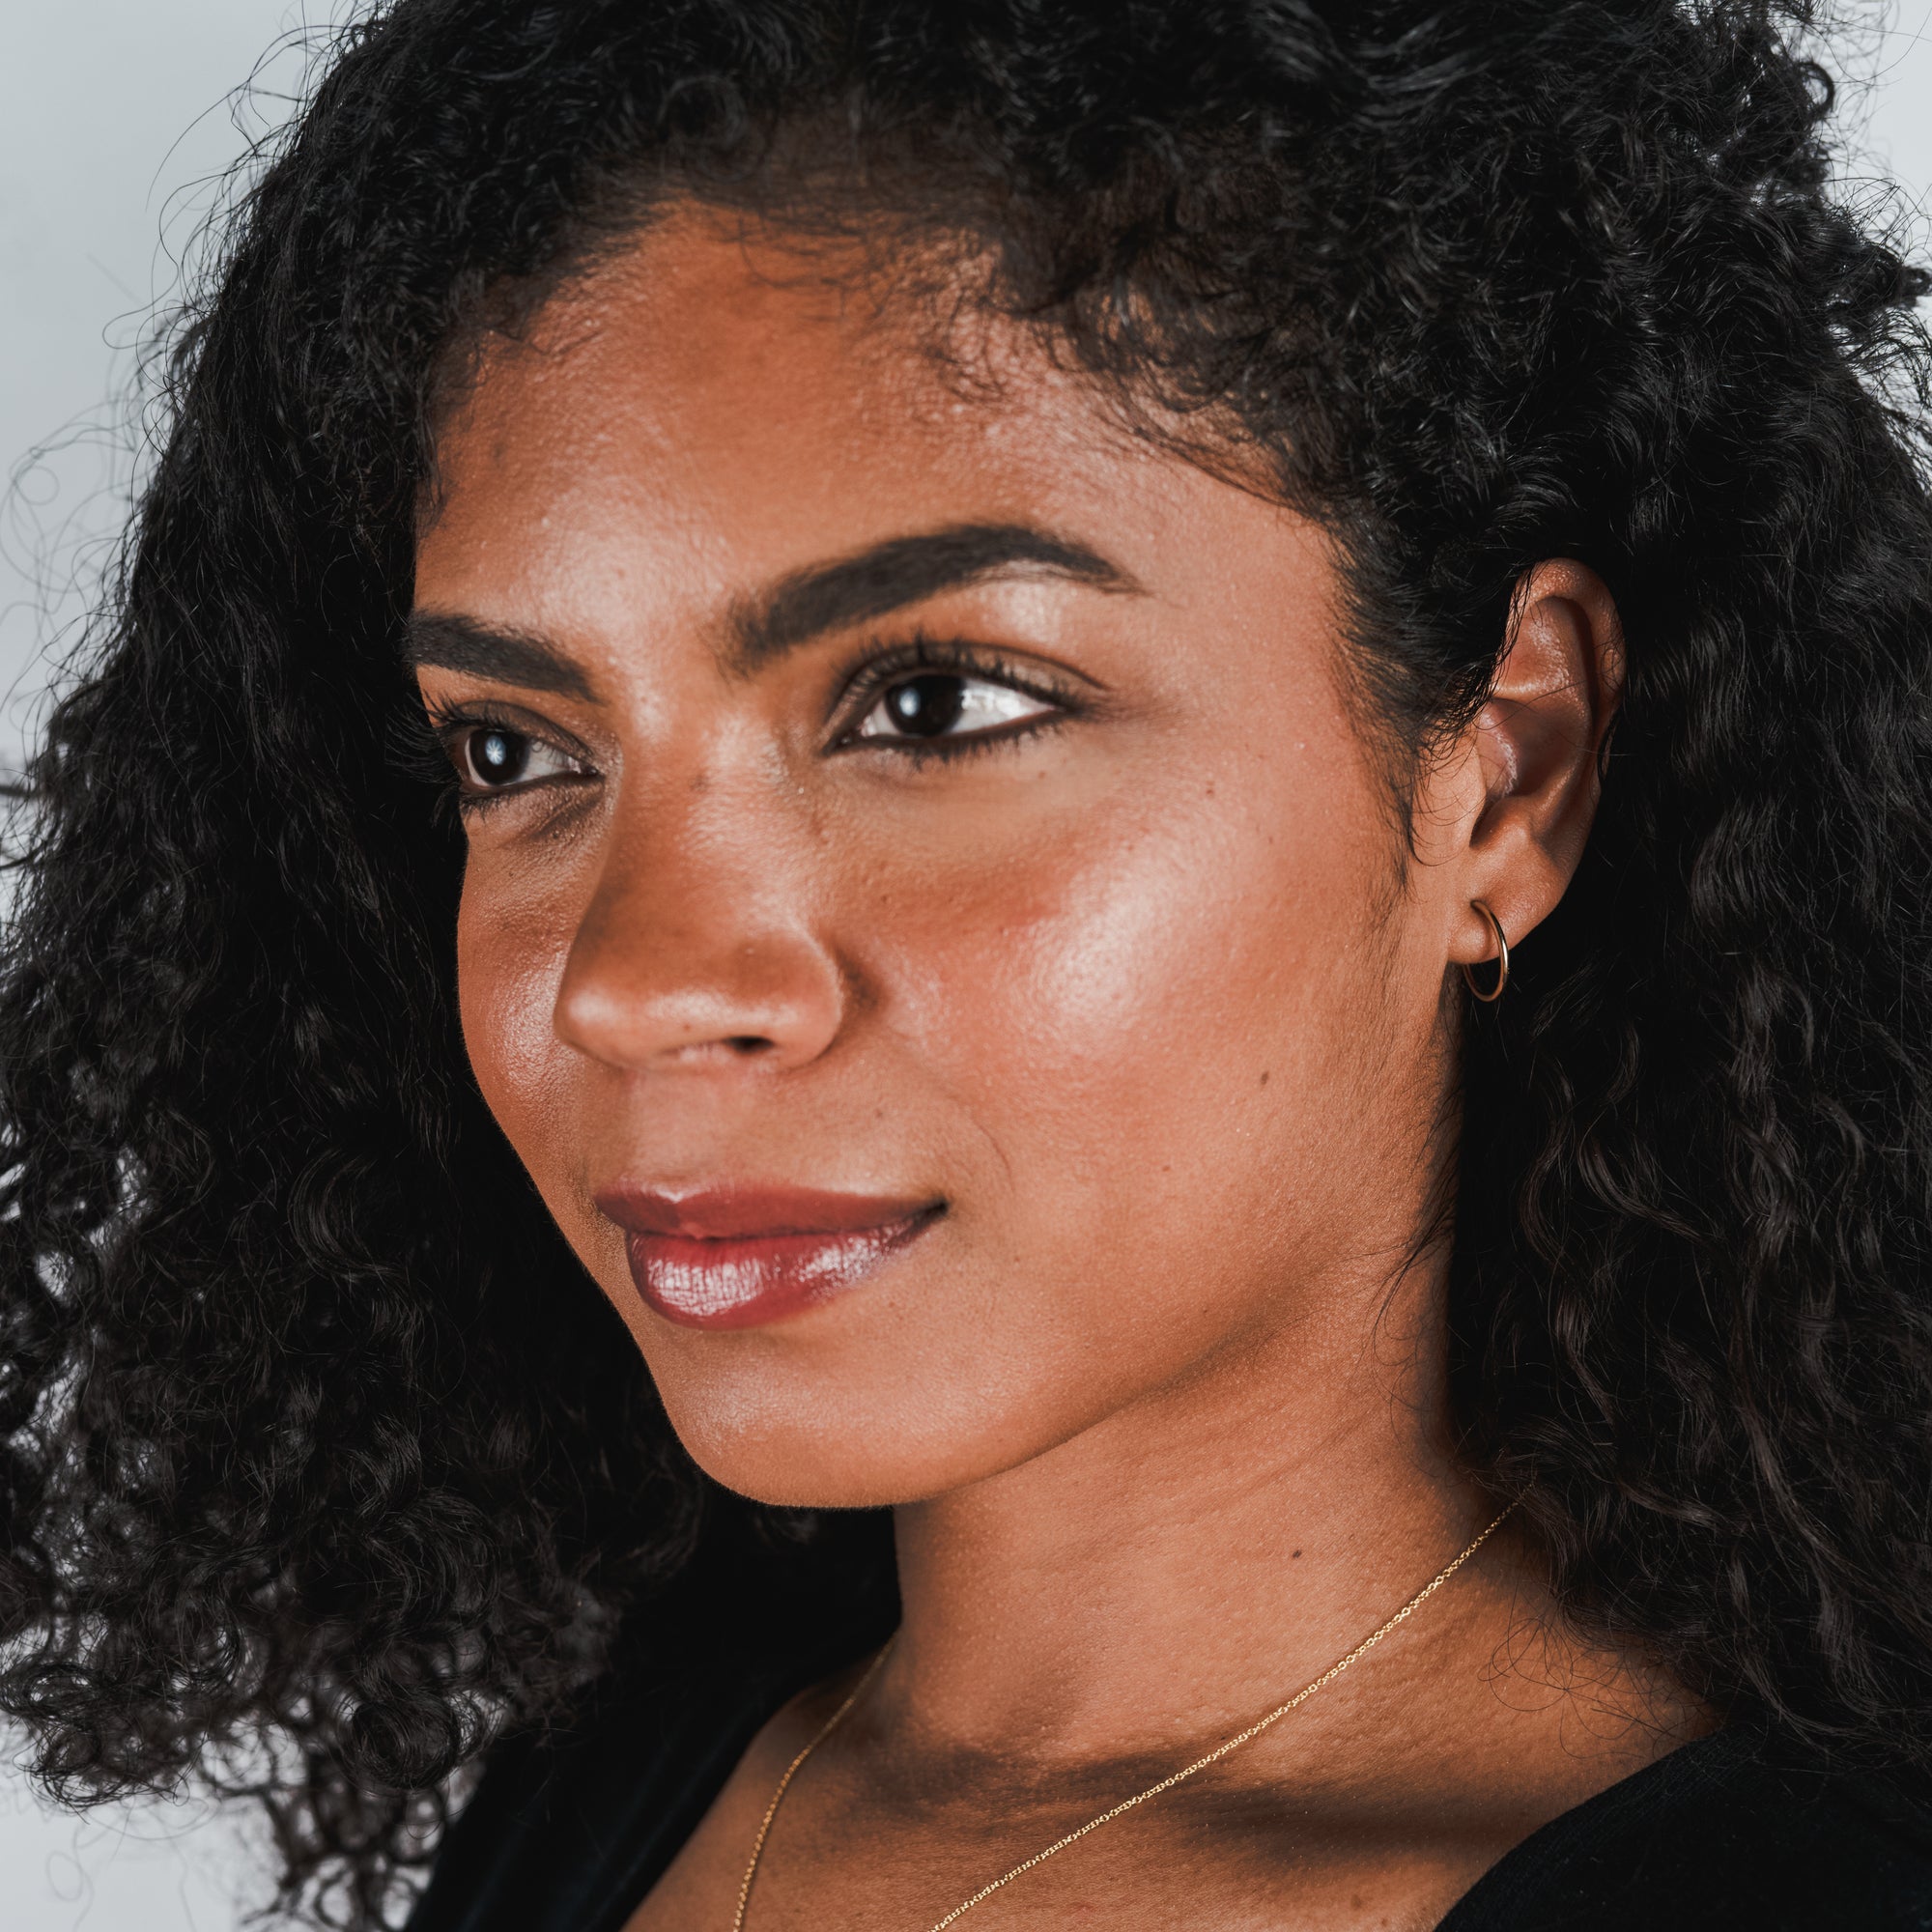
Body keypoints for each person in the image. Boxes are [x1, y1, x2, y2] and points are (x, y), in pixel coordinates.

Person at [5, 1, 1932, 1926]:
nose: (632, 980)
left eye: (932, 705)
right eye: (517, 750)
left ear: (1505, 770)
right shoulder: (622, 1775)